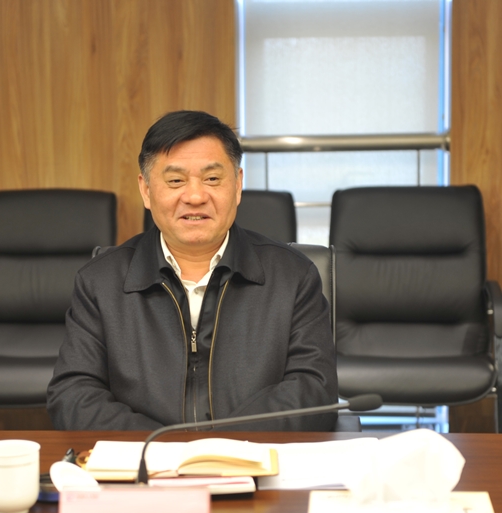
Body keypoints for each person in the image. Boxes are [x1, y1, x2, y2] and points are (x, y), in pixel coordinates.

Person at [47, 110, 338, 431]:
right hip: (145, 458)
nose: (196, 196)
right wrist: (166, 447)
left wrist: (220, 445)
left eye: (212, 179)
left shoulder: (293, 276)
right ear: (146, 190)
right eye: (175, 181)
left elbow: (314, 391)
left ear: (238, 185)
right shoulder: (100, 282)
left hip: (253, 456)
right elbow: (73, 396)